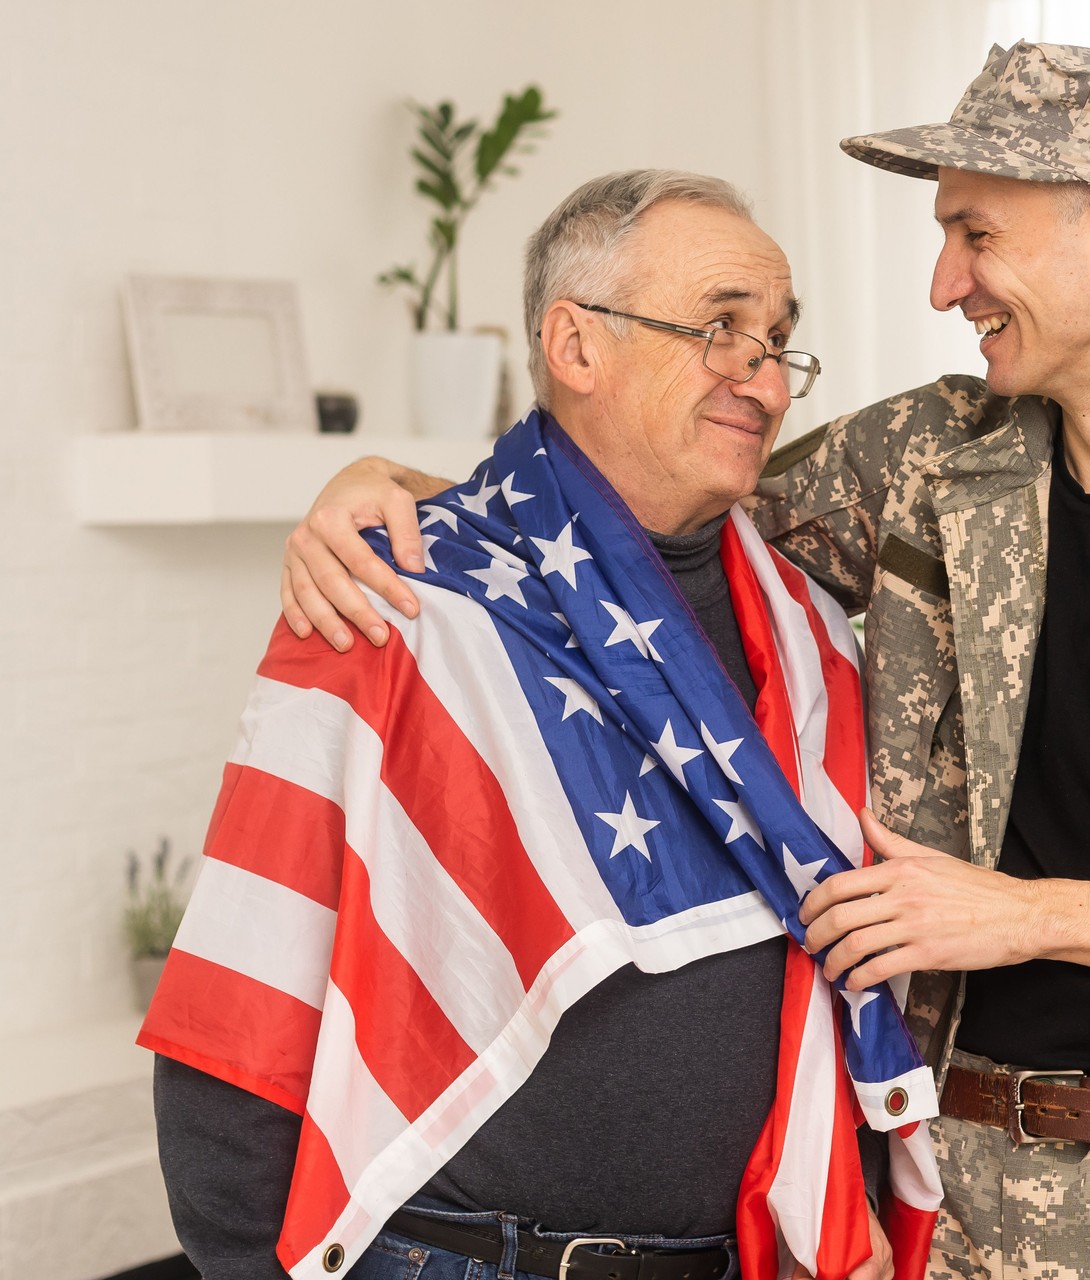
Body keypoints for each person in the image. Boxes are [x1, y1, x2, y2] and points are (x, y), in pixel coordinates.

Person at [279, 43, 1090, 1280]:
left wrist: (1023, 916)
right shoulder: (922, 460)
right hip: (925, 1198)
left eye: (975, 233)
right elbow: (645, 517)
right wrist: (401, 491)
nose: (942, 283)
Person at [145, 170, 924, 1280]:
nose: (762, 373)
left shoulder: (814, 631)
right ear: (576, 343)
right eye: (720, 327)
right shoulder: (399, 600)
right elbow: (243, 998)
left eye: (779, 339)